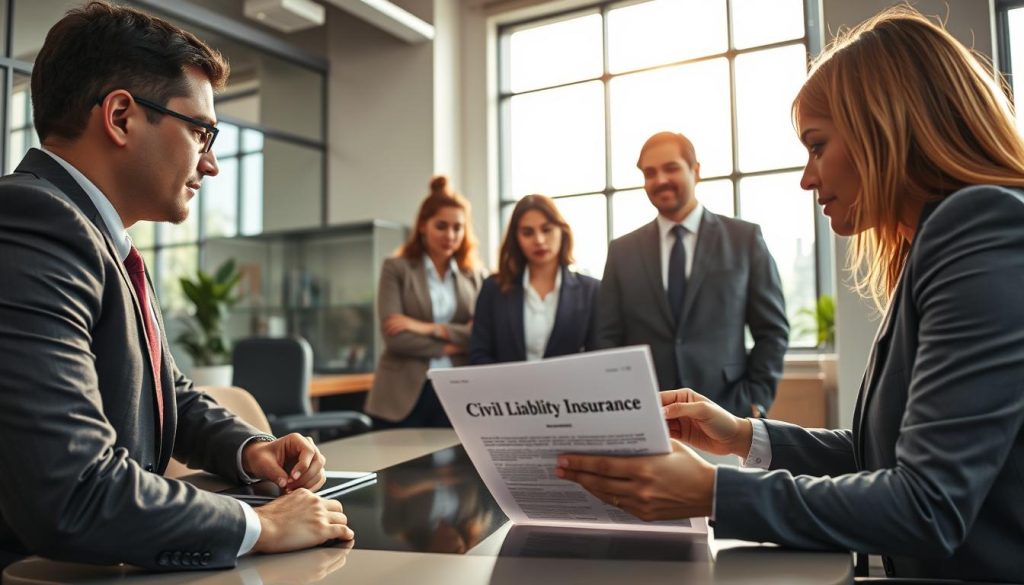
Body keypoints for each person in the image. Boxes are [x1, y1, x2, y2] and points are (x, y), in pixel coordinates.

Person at [556, 7, 1024, 582]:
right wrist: (743, 435)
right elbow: (880, 455)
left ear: (886, 127)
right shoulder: (936, 244)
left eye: (818, 145)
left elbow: (926, 503)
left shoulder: (979, 228)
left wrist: (713, 492)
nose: (807, 177)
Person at [0, 2, 352, 571]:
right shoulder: (31, 223)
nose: (210, 164)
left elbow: (164, 390)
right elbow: (74, 490)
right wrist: (257, 523)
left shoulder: (94, 234)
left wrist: (251, 449)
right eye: (201, 132)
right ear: (120, 116)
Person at [594, 131, 789, 417]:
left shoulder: (744, 239)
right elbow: (605, 337)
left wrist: (756, 400)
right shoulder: (622, 250)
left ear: (695, 171)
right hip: (646, 413)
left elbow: (772, 330)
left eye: (670, 168)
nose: (660, 180)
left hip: (728, 410)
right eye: (650, 173)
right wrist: (621, 399)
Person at [364, 176, 485, 427]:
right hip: (401, 395)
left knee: (457, 466)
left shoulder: (475, 277)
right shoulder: (396, 268)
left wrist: (426, 328)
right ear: (422, 226)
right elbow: (395, 338)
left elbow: (481, 335)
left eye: (458, 227)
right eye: (441, 226)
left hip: (457, 392)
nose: (450, 235)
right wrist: (451, 345)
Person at [470, 195, 599, 365]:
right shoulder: (493, 288)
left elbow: (598, 356)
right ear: (516, 238)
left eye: (547, 230)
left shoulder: (591, 290)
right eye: (527, 232)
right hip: (506, 389)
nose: (539, 240)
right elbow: (479, 354)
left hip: (570, 390)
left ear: (562, 231)